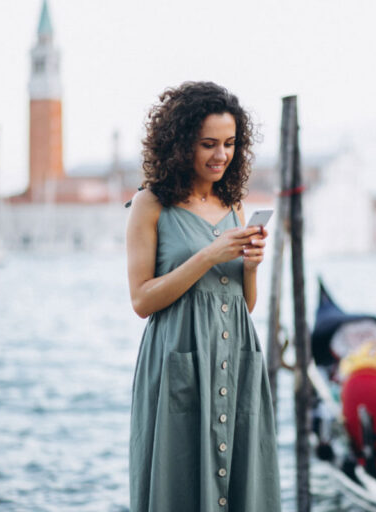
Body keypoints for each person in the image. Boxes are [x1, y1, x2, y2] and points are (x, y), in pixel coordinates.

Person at [125, 82, 281, 511]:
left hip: (237, 358)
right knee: (179, 483)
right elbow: (142, 300)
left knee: (243, 484)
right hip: (179, 357)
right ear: (180, 144)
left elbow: (244, 304)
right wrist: (210, 255)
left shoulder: (232, 203)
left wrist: (249, 266)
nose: (221, 156)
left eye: (230, 144)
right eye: (208, 144)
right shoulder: (150, 203)